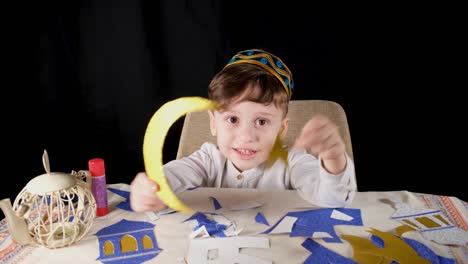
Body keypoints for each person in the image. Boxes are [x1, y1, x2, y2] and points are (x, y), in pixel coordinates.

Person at [130, 49, 356, 212]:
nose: (246, 136)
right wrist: (153, 189)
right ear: (213, 123)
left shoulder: (293, 162)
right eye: (232, 119)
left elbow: (333, 199)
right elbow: (174, 175)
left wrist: (334, 161)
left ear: (281, 129)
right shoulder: (208, 159)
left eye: (261, 122)